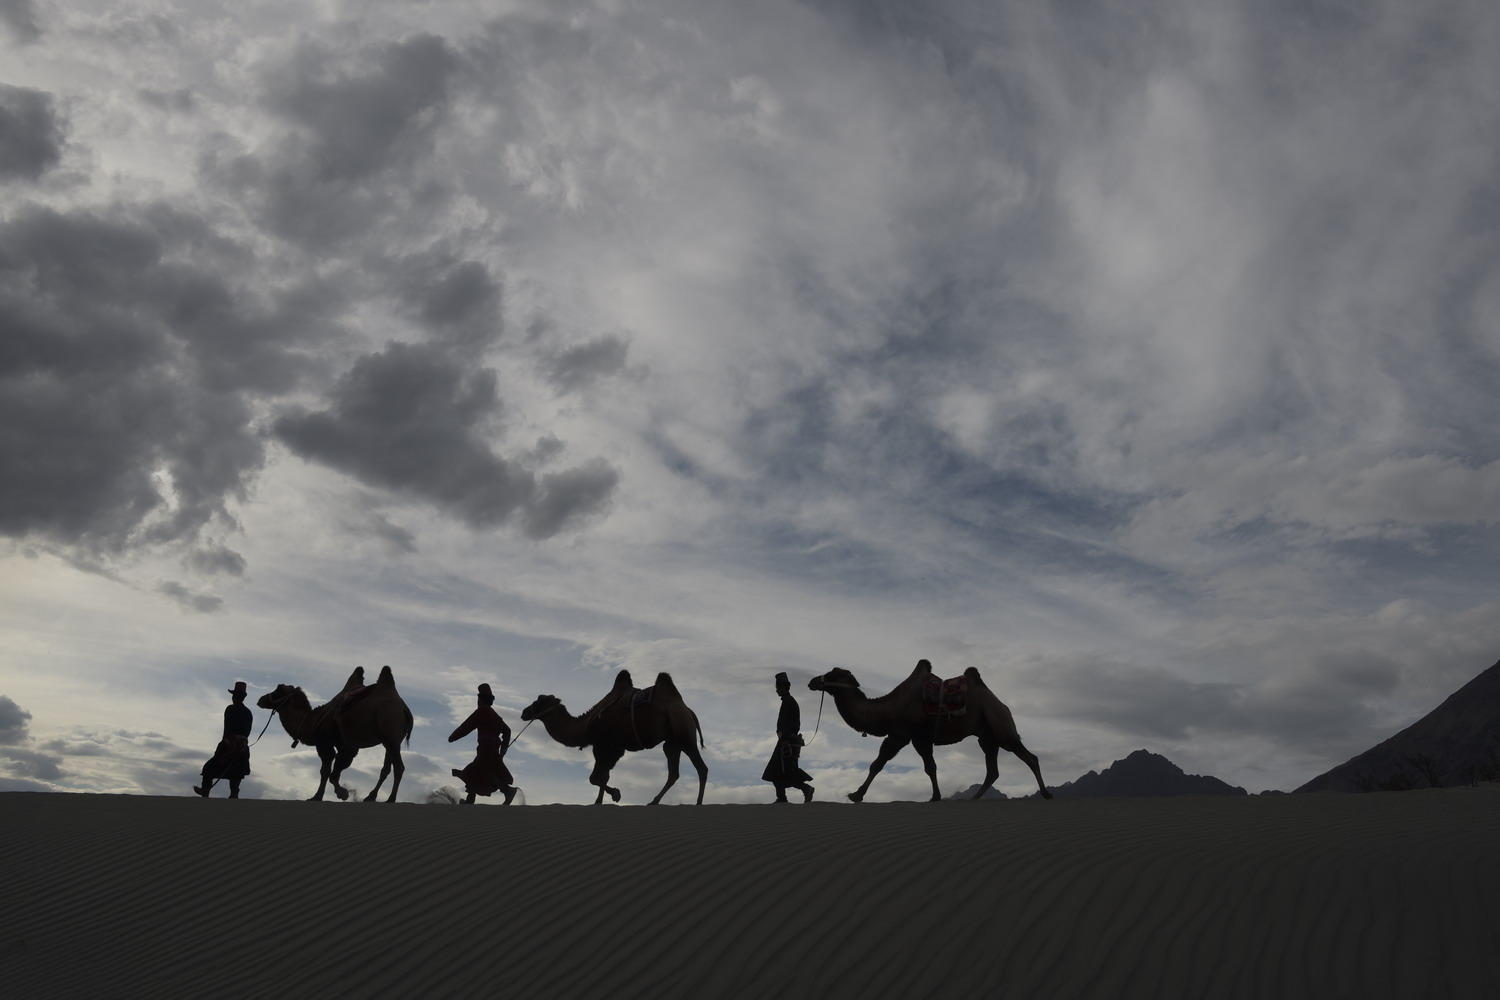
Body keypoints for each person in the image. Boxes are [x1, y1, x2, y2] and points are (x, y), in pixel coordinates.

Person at [448, 683, 517, 805]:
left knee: (481, 773)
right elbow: (507, 731)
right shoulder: (494, 714)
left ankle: (508, 791)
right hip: (492, 750)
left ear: (481, 698)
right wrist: (503, 749)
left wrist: (453, 737)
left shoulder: (482, 712)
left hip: (486, 749)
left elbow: (466, 726)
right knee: (475, 772)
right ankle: (470, 799)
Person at [194, 681, 253, 799]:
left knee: (209, 768)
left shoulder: (230, 709)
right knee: (236, 773)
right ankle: (233, 794)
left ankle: (205, 792)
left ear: (235, 696)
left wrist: (226, 744)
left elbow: (228, 729)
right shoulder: (248, 713)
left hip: (229, 745)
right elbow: (247, 732)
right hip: (242, 747)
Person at [762, 672, 814, 803]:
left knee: (783, 771)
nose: (777, 690)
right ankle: (783, 797)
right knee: (778, 772)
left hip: (787, 742)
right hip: (785, 741)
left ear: (784, 687)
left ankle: (805, 789)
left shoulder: (789, 702)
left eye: (778, 687)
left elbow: (792, 725)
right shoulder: (787, 701)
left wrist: (784, 738)